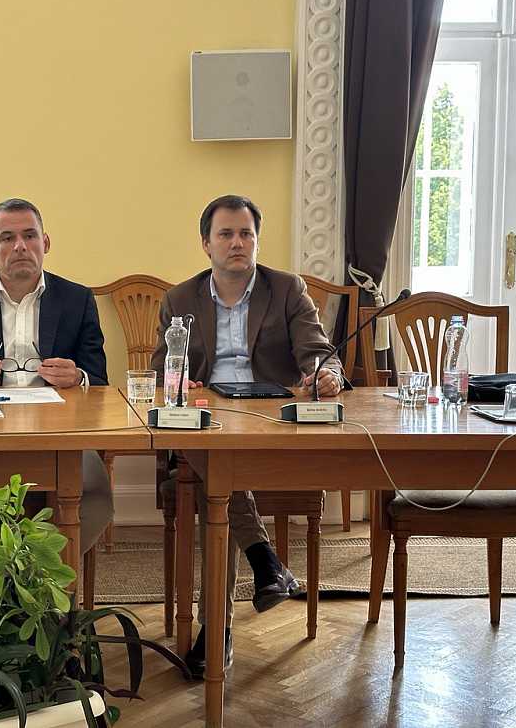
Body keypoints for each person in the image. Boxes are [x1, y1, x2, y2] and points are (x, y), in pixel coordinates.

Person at [150, 194, 344, 678]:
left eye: (246, 234)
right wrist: (182, 382)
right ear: (206, 244)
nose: (237, 243)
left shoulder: (287, 289)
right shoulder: (180, 299)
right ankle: (262, 566)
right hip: (207, 422)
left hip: (268, 425)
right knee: (215, 463)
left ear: (256, 240)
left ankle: (219, 626)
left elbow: (317, 351)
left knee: (217, 479)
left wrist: (327, 375)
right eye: (226, 234)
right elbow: (160, 371)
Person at [0, 197, 112, 553]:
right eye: (7, 238)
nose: (20, 246)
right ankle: (7, 575)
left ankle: (42, 575)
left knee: (94, 494)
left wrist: (78, 377)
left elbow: (100, 383)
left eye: (30, 235)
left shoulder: (77, 299)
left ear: (46, 243)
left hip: (61, 435)